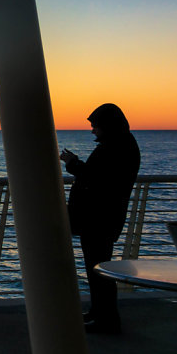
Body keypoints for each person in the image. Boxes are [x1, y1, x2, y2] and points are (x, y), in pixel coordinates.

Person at [59, 103, 141, 334]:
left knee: (99, 270)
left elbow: (98, 179)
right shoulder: (121, 144)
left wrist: (73, 164)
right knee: (97, 268)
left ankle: (107, 319)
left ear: (107, 126)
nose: (93, 131)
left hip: (99, 219)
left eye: (95, 126)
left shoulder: (117, 147)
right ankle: (99, 313)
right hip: (101, 218)